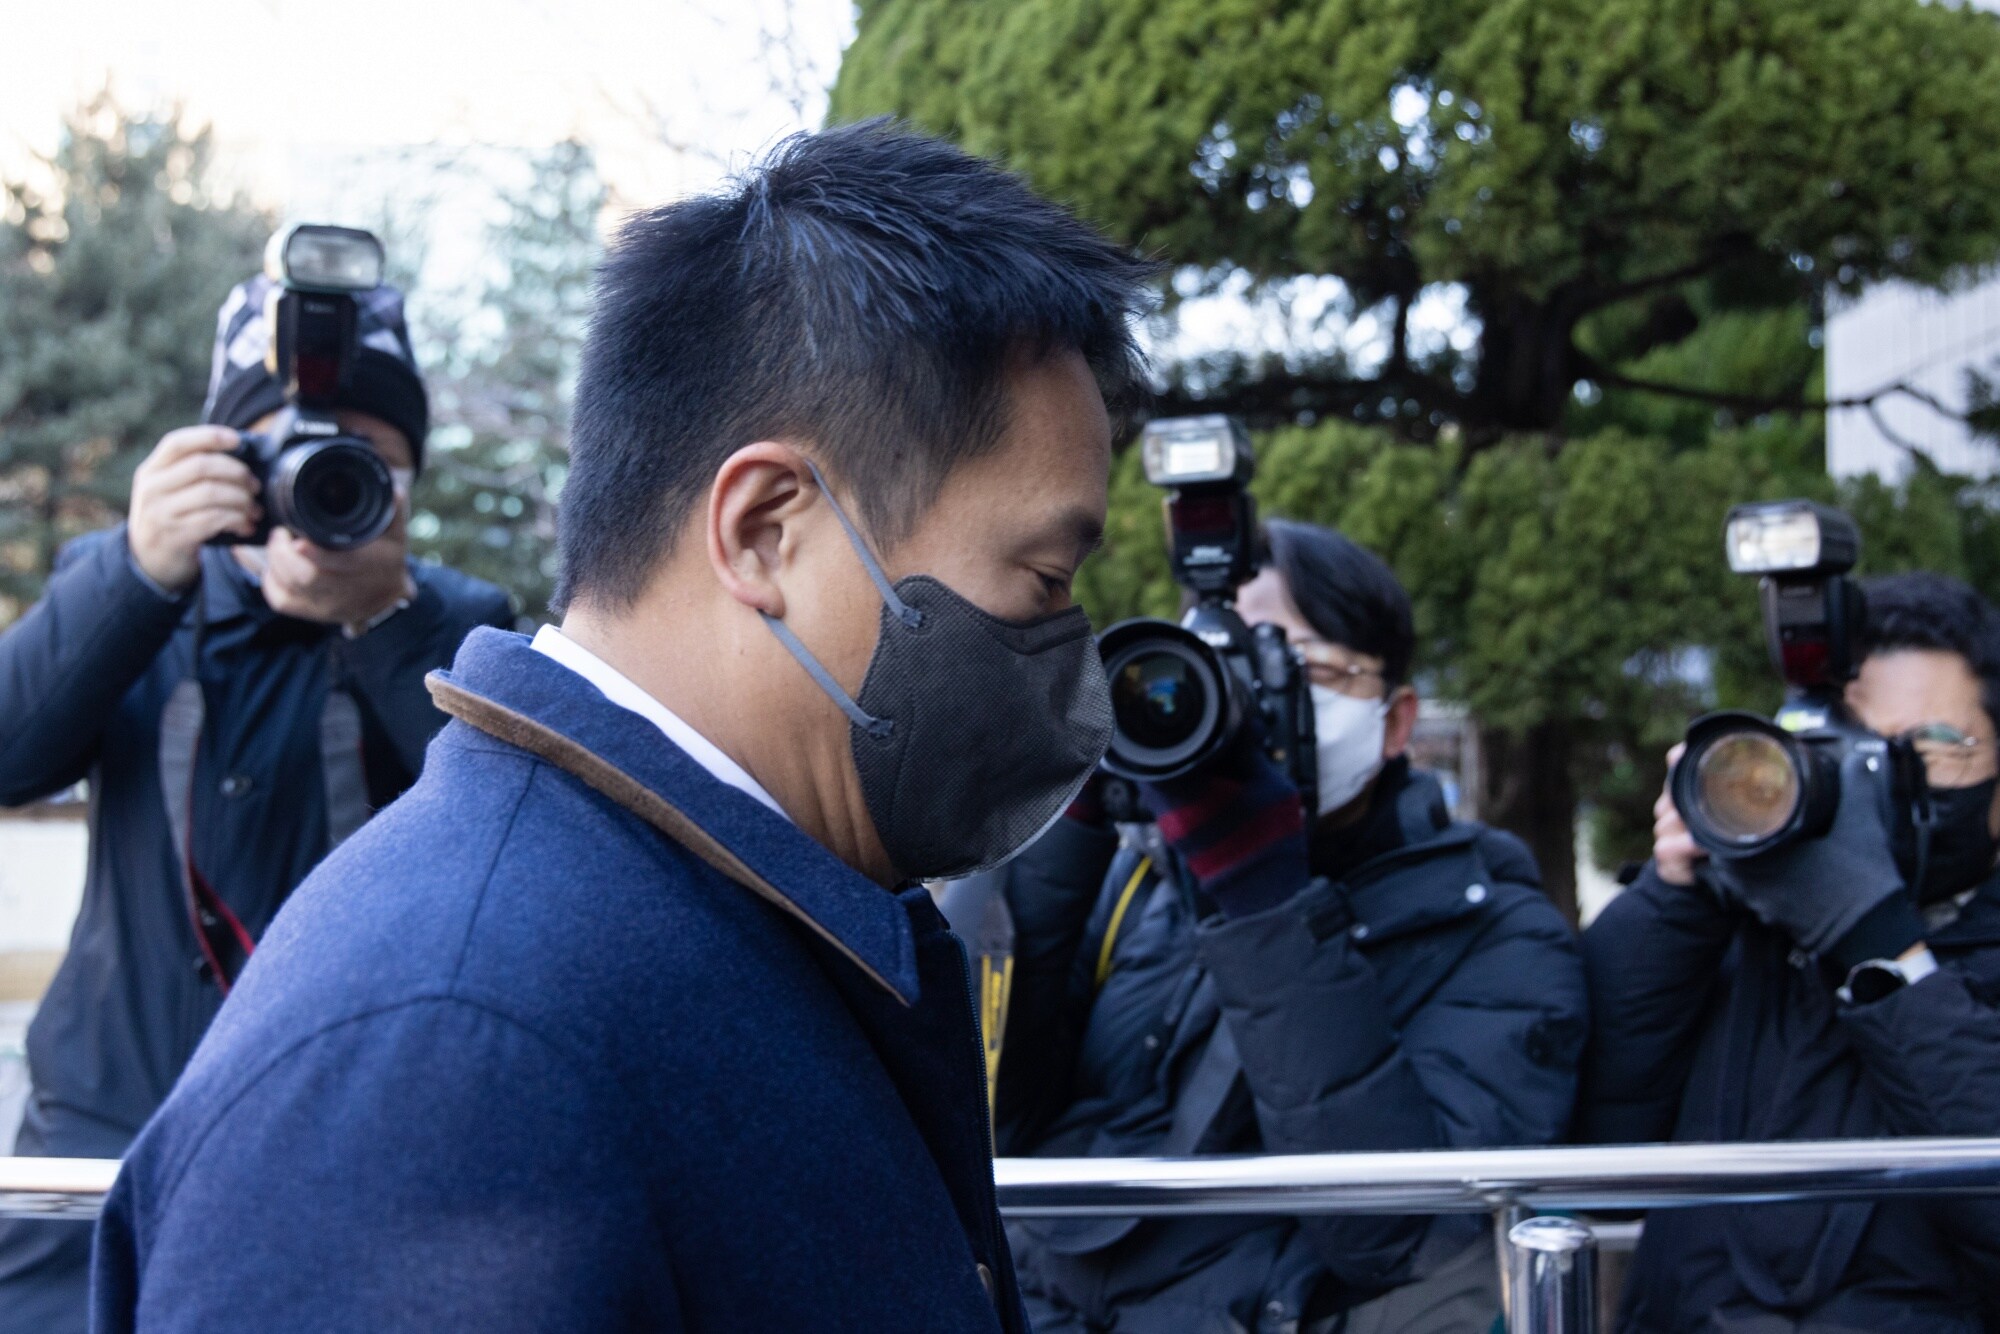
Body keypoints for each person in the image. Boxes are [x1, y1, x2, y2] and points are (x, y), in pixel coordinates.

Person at [91, 121, 1154, 1333]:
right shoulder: (442, 1060)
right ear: (765, 530)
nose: (1066, 648)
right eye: (1043, 577)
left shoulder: (733, 911)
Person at [0, 266, 509, 1333]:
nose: (319, 481)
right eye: (291, 447)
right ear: (223, 457)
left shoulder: (455, 622)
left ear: (405, 478)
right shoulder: (133, 589)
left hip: (347, 1147)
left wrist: (386, 624)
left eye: (360, 456)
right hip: (97, 1141)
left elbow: (521, 824)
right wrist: (137, 575)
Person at [974, 519, 1588, 1334]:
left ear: (1397, 720)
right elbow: (988, 1112)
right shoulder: (1145, 883)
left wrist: (1265, 899)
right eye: (1227, 667)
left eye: (1298, 667)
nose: (1258, 701)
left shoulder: (1502, 934)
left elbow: (1397, 1238)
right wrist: (1068, 816)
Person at [1578, 572, 2000, 1332]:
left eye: (1928, 749)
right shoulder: (1737, 930)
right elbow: (1594, 1143)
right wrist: (1679, 894)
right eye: (1852, 749)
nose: (1877, 779)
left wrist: (1883, 954)